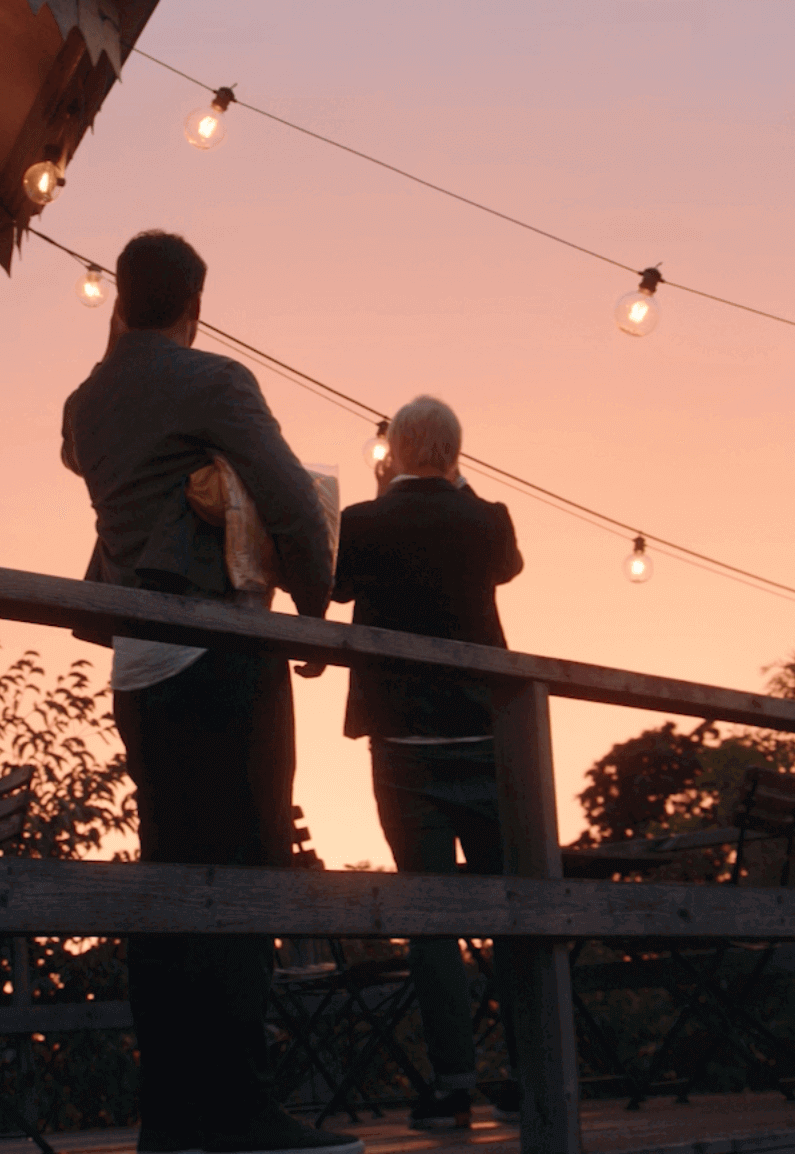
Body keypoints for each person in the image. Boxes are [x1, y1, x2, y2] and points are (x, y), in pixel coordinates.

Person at [60, 230, 357, 1154]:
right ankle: (240, 1110)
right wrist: (310, 611)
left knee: (169, 883)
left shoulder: (85, 403)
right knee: (242, 872)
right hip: (218, 646)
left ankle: (171, 1112)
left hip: (136, 666)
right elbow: (290, 501)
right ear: (195, 304)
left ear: (119, 297)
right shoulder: (214, 381)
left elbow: (100, 470)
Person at [331, 396, 524, 1129]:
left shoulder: (362, 522)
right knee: (513, 911)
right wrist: (458, 481)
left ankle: (450, 1083)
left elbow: (338, 585)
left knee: (430, 916)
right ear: (455, 452)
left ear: (396, 452)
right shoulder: (487, 519)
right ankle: (530, 1069)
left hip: (403, 741)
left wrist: (384, 490)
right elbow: (507, 566)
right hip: (484, 733)